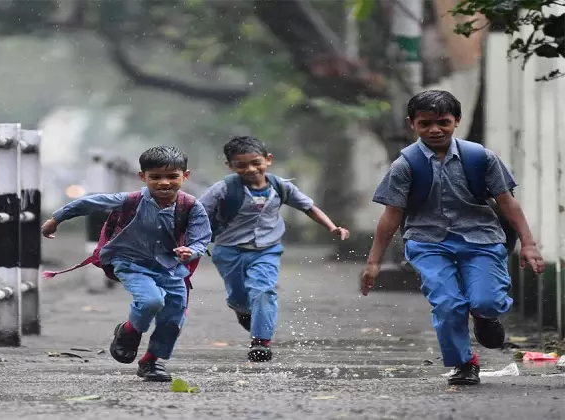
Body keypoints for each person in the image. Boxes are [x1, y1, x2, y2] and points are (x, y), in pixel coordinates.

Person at [361, 89, 545, 386]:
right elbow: (391, 216)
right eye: (425, 124)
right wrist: (373, 263)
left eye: (443, 122)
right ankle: (464, 362)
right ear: (413, 124)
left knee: (486, 301)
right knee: (447, 304)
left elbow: (508, 202)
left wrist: (529, 244)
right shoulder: (405, 166)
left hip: (481, 239)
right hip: (428, 243)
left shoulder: (481, 158)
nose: (434, 130)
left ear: (456, 121)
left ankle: (485, 316)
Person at [41, 146, 212, 382]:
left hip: (171, 268)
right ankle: (129, 331)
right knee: (151, 300)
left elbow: (201, 238)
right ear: (142, 177)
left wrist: (191, 251)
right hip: (131, 263)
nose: (164, 183)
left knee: (174, 317)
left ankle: (151, 361)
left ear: (185, 176)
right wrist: (57, 218)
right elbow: (91, 203)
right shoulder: (130, 201)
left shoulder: (191, 207)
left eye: (172, 176)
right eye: (155, 177)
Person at [198, 136, 350, 362]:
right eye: (241, 165)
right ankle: (243, 311)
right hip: (228, 251)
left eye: (256, 162)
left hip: (266, 250)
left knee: (263, 290)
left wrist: (332, 227)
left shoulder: (281, 186)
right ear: (230, 166)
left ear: (268, 160)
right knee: (239, 298)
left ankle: (261, 342)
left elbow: (308, 207)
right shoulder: (222, 189)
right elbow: (196, 213)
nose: (250, 169)